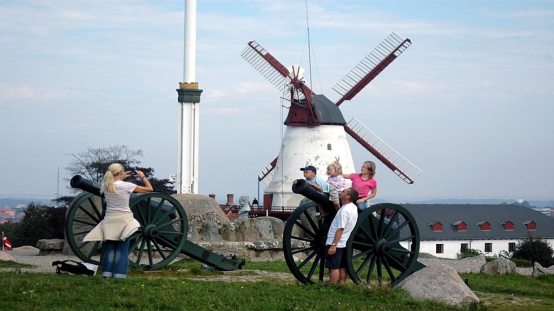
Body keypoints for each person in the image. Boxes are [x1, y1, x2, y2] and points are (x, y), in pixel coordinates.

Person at [83, 163, 153, 279]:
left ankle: (106, 274)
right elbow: (149, 189)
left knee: (110, 250)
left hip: (109, 220)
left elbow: (114, 181)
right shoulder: (126, 186)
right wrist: (142, 176)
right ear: (121, 172)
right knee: (122, 250)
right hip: (124, 220)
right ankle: (119, 275)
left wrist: (120, 176)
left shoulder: (105, 186)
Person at [325, 188, 359, 284]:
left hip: (337, 242)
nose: (341, 192)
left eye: (344, 191)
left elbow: (340, 229)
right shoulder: (353, 208)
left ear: (348, 196)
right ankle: (342, 284)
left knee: (334, 266)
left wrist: (334, 245)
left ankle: (333, 286)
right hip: (344, 241)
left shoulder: (344, 211)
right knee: (342, 265)